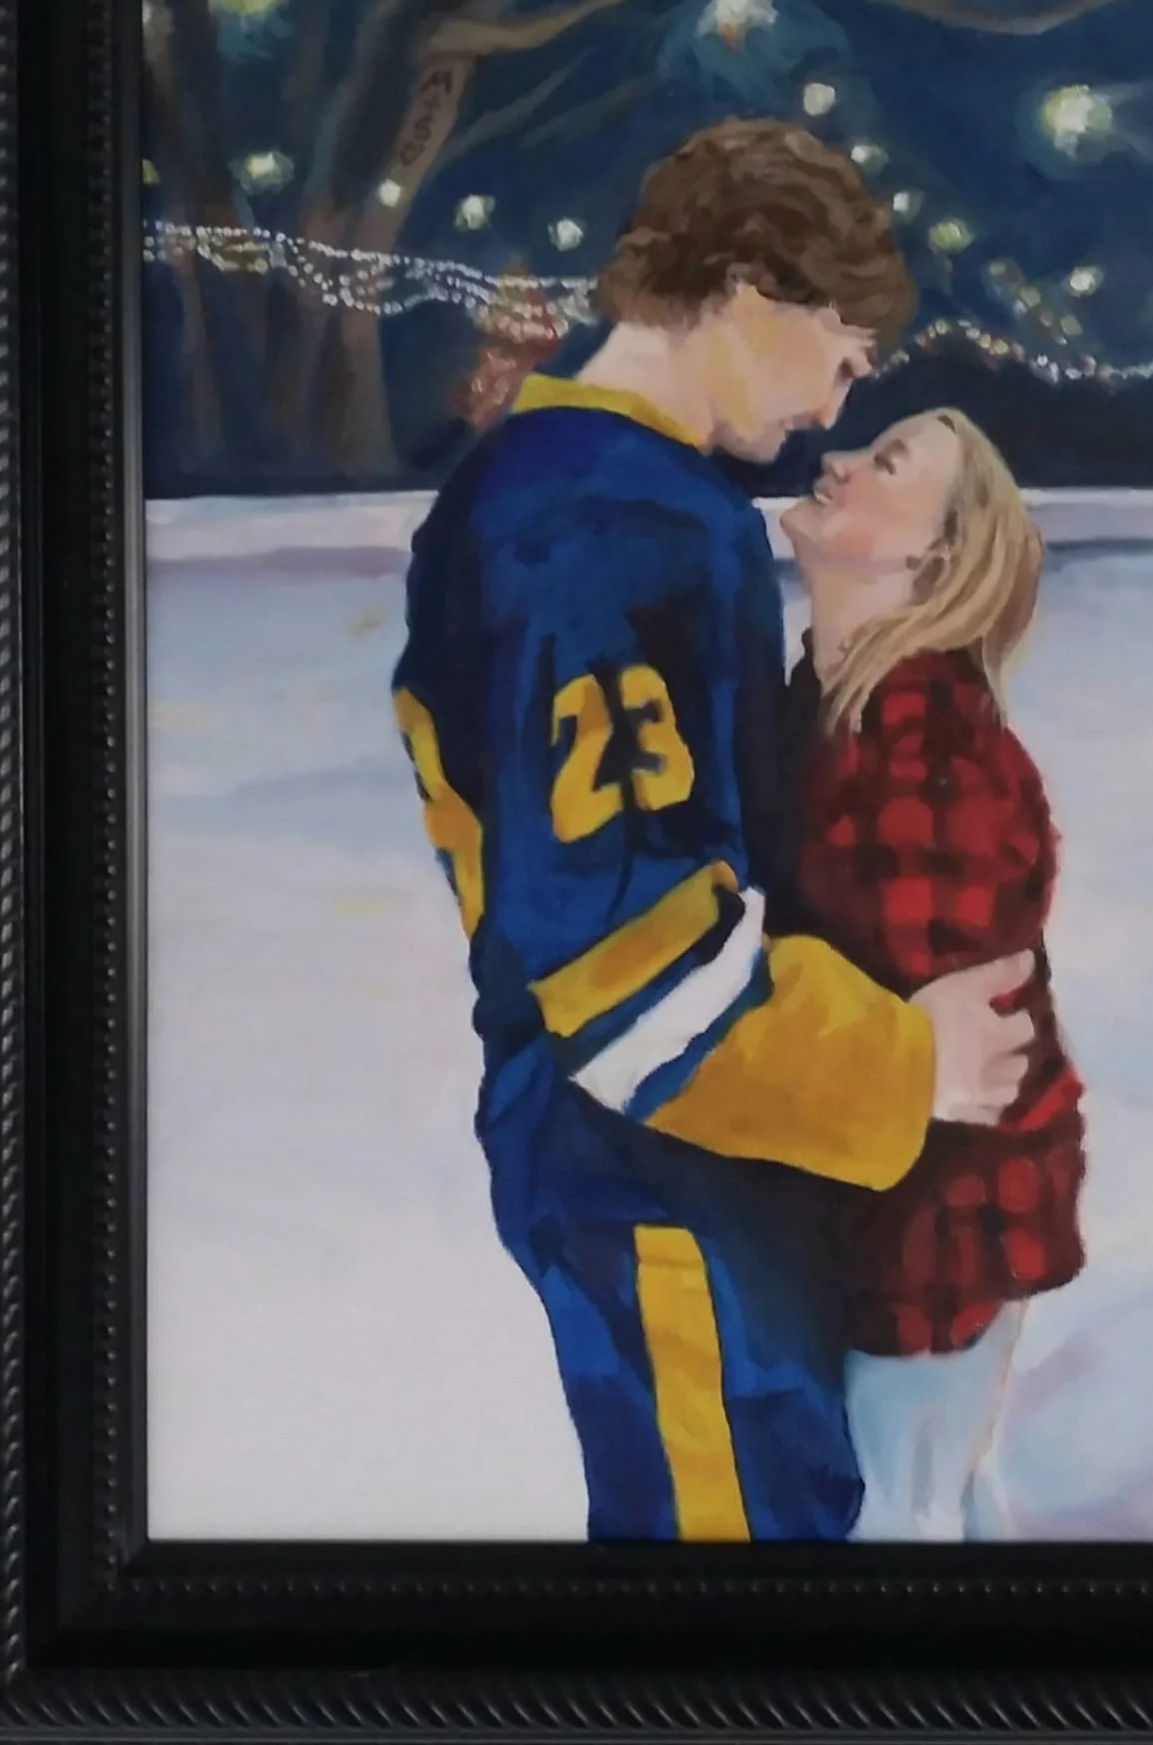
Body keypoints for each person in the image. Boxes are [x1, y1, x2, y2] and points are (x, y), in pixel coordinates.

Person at [392, 121, 1035, 1544]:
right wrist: (908, 1062)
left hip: (660, 1154)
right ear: (752, 292)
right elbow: (635, 971)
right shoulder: (618, 520)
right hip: (657, 1169)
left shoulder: (550, 487)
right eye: (843, 360)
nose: (830, 413)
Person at [778, 408, 1088, 1542]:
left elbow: (951, 1039)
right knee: (928, 1509)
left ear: (934, 556)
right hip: (878, 1218)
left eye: (885, 463)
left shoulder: (929, 746)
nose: (836, 461)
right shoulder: (824, 713)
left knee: (900, 1528)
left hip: (929, 1241)